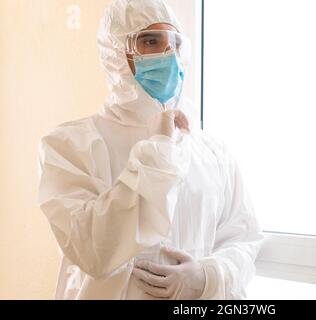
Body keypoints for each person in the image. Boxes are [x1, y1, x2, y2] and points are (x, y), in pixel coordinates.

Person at [37, 0, 264, 300]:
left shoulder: (213, 153)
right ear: (117, 51)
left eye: (174, 43)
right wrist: (158, 152)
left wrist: (207, 276)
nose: (167, 54)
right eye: (149, 41)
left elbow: (243, 239)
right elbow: (93, 249)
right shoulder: (70, 146)